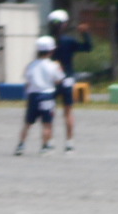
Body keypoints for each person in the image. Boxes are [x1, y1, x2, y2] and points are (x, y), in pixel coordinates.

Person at [49, 9, 92, 152]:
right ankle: (69, 142)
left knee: (49, 111)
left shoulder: (47, 41)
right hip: (67, 78)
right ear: (65, 24)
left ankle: (49, 140)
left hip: (50, 80)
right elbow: (88, 47)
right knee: (68, 112)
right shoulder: (68, 41)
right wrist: (85, 34)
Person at [14, 36, 65, 155]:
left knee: (28, 123)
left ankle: (21, 145)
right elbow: (59, 80)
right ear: (51, 51)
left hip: (33, 95)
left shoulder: (31, 65)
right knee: (47, 123)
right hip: (47, 95)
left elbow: (28, 81)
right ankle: (45, 146)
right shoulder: (53, 65)